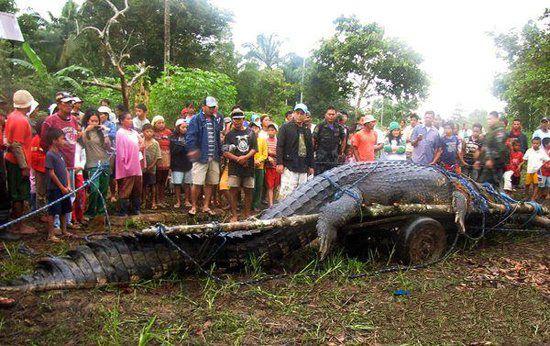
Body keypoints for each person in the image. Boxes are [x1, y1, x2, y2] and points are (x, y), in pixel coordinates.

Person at [4, 90, 38, 235]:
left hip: (13, 160)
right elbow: (17, 145)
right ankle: (19, 225)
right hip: (17, 162)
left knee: (16, 192)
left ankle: (16, 223)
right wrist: (24, 166)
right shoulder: (21, 120)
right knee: (19, 194)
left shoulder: (12, 116)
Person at [186, 96, 223, 216]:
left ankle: (206, 206)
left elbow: (217, 138)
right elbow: (190, 138)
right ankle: (194, 206)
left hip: (214, 156)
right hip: (200, 157)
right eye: (210, 107)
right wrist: (193, 152)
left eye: (214, 107)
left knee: (210, 183)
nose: (213, 109)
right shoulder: (196, 119)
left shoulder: (215, 120)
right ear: (204, 107)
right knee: (197, 182)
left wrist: (220, 153)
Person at [223, 108, 258, 221]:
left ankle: (247, 214)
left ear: (243, 119)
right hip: (234, 167)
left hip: (249, 166)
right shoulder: (229, 135)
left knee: (248, 190)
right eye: (235, 119)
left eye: (239, 119)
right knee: (233, 190)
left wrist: (245, 157)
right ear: (232, 120)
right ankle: (234, 215)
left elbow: (254, 148)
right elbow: (225, 152)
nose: (237, 121)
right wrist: (238, 159)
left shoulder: (251, 132)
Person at [276, 103, 314, 200]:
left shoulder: (307, 130)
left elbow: (310, 149)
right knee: (286, 195)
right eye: (297, 113)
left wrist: (311, 166)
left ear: (306, 115)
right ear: (293, 113)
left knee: (301, 196)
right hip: (289, 165)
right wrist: (279, 163)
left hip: (303, 166)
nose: (299, 115)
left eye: (302, 113)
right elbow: (280, 146)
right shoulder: (285, 128)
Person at [44, 128, 75, 242]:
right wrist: (61, 187)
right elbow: (51, 173)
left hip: (64, 188)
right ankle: (51, 234)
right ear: (54, 140)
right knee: (53, 211)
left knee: (64, 210)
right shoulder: (50, 155)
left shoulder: (60, 154)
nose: (64, 141)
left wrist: (68, 185)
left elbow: (66, 170)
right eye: (62, 139)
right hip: (55, 189)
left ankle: (64, 230)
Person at [81, 109, 111, 222]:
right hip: (92, 164)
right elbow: (81, 141)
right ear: (87, 121)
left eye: (96, 121)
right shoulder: (85, 131)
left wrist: (105, 133)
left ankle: (101, 212)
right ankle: (90, 211)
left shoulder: (101, 132)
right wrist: (86, 131)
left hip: (105, 162)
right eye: (92, 120)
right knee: (94, 189)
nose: (94, 123)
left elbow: (108, 147)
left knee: (103, 189)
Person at [115, 112, 144, 216]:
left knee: (137, 187)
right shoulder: (120, 132)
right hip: (127, 164)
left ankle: (136, 209)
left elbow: (141, 142)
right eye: (128, 119)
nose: (130, 120)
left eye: (131, 118)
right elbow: (120, 150)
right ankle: (123, 211)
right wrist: (124, 164)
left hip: (136, 164)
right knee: (126, 188)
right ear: (122, 121)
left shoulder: (134, 132)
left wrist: (141, 144)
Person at [313, 106, 346, 174]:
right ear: (325, 115)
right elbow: (313, 139)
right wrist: (312, 152)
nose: (331, 116)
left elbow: (344, 139)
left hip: (333, 157)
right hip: (321, 158)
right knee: (319, 179)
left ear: (336, 115)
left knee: (333, 178)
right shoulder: (320, 126)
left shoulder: (339, 127)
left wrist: (341, 152)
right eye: (329, 114)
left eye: (333, 114)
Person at [479, 111, 508, 188]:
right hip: (489, 163)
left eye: (490, 119)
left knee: (496, 185)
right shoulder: (491, 131)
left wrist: (491, 160)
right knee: (485, 185)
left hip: (496, 164)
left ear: (497, 119)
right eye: (487, 119)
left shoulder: (499, 131)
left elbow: (500, 148)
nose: (488, 121)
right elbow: (487, 146)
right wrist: (480, 159)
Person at [170, 118, 192, 209]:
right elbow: (173, 150)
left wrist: (182, 145)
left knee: (187, 183)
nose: (185, 129)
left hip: (188, 162)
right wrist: (182, 146)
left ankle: (187, 200)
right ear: (178, 127)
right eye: (183, 127)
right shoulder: (172, 137)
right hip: (177, 163)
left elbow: (191, 148)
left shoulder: (190, 136)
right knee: (177, 183)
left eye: (186, 127)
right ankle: (178, 201)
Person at [152, 115, 171, 207]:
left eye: (162, 122)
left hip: (167, 159)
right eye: (159, 123)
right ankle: (156, 200)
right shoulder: (152, 133)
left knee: (163, 181)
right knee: (157, 180)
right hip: (157, 159)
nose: (161, 124)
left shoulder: (168, 132)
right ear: (154, 124)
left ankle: (162, 200)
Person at [30, 118, 47, 218]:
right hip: (40, 169)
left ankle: (45, 212)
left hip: (47, 169)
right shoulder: (36, 140)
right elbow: (34, 156)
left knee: (46, 191)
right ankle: (41, 213)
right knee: (40, 192)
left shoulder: (46, 139)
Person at [142, 123, 161, 209]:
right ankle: (144, 201)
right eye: (147, 131)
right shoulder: (141, 141)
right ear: (143, 132)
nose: (149, 133)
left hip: (152, 168)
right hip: (142, 167)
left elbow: (158, 156)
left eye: (150, 131)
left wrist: (152, 165)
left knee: (153, 184)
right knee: (143, 184)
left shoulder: (155, 143)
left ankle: (153, 202)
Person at [250, 119, 267, 211]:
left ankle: (256, 204)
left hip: (260, 166)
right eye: (252, 127)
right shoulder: (248, 139)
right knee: (250, 186)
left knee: (259, 186)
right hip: (250, 166)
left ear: (259, 129)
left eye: (256, 128)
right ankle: (249, 204)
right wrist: (253, 161)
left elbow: (265, 154)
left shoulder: (262, 140)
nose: (254, 129)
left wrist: (258, 160)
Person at [265, 123, 280, 207]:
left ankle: (274, 202)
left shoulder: (278, 141)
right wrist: (268, 155)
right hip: (268, 167)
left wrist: (271, 153)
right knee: (270, 186)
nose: (271, 132)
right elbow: (264, 152)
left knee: (276, 185)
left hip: (277, 166)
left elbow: (280, 152)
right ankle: (270, 204)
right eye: (269, 130)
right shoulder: (265, 141)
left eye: (272, 130)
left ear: (276, 131)